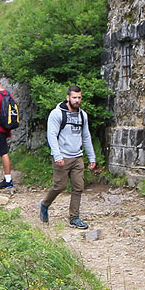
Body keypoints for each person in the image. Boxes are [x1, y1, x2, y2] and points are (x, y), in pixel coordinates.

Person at [39, 85, 97, 230]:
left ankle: (74, 217)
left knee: (78, 187)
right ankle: (44, 204)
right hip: (62, 157)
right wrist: (57, 155)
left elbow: (86, 136)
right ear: (68, 98)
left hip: (77, 156)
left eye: (79, 97)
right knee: (60, 186)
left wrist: (92, 157)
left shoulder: (82, 115)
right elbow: (51, 135)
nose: (77, 100)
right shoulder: (57, 114)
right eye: (74, 97)